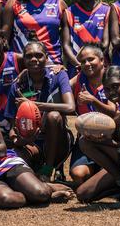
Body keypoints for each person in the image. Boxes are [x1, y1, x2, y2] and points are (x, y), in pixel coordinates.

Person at [76, 66, 120, 205]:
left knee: (88, 142)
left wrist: (111, 143)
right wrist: (115, 124)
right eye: (107, 89)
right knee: (82, 194)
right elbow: (119, 137)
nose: (112, 92)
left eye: (116, 86)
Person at [5, 40, 76, 181]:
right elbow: (12, 126)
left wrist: (35, 105)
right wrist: (18, 140)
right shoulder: (18, 85)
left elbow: (70, 107)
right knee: (13, 168)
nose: (34, 59)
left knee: (54, 116)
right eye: (29, 56)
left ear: (46, 57)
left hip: (58, 140)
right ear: (24, 60)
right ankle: (36, 169)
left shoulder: (58, 76)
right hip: (31, 141)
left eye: (39, 55)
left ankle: (49, 168)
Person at [1, 0, 67, 66]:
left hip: (52, 65)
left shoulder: (58, 2)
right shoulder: (14, 2)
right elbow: (4, 39)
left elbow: (67, 42)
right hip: (21, 65)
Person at [68, 43, 116, 185]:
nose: (87, 64)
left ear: (102, 61)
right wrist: (59, 72)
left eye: (91, 59)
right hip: (86, 138)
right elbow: (60, 85)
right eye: (83, 61)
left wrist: (93, 100)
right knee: (78, 175)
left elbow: (113, 111)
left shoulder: (111, 79)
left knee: (113, 173)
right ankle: (97, 170)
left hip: (108, 139)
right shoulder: (79, 79)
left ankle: (106, 171)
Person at [62, 0, 111, 77]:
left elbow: (106, 43)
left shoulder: (107, 10)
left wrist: (95, 65)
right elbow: (66, 45)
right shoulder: (69, 13)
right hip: (76, 69)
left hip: (100, 69)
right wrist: (79, 65)